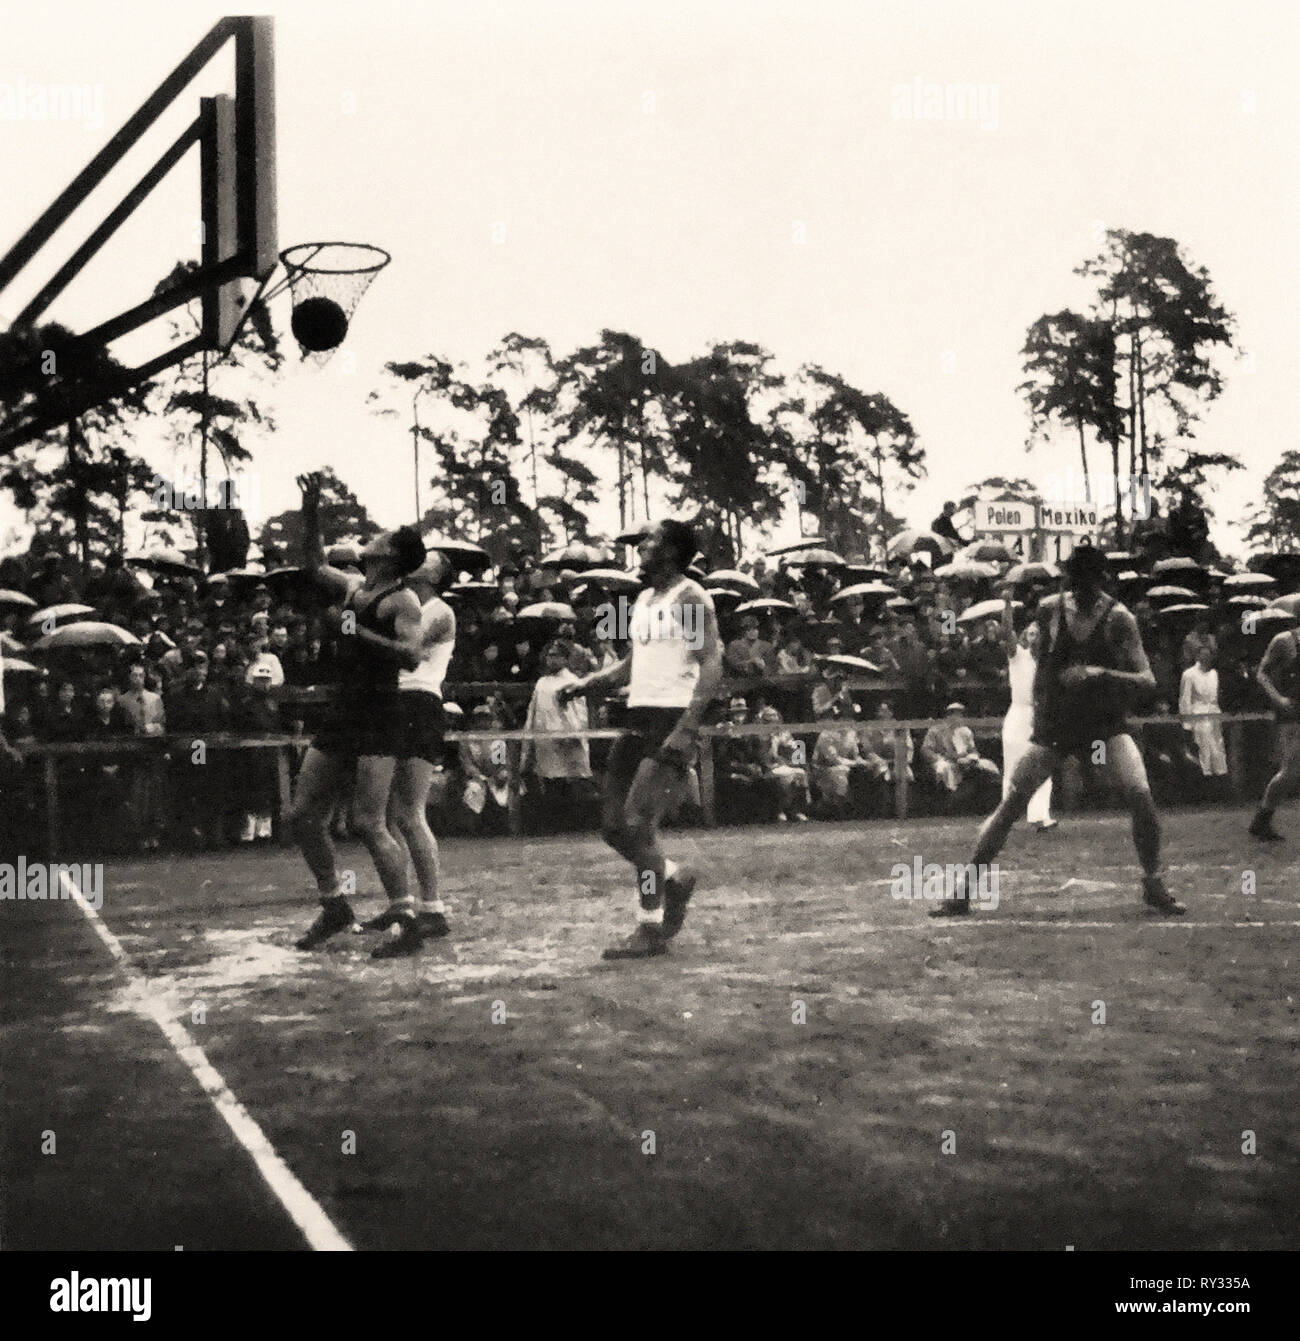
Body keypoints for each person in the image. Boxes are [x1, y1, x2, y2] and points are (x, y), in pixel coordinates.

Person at [929, 542, 1184, 917]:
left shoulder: (1119, 618)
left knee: (1140, 795)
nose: (1079, 591)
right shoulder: (1050, 610)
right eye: (1074, 583)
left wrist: (1101, 673)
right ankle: (964, 889)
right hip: (1060, 724)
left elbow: (1147, 679)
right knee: (1012, 802)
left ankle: (1153, 881)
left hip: (1104, 722)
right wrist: (1043, 715)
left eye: (1087, 584)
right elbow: (1040, 673)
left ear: (1100, 581)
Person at [558, 519, 722, 959]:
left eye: (650, 540)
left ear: (669, 551)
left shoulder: (690, 596)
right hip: (638, 715)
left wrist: (688, 727)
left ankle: (649, 927)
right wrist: (589, 682)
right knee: (613, 827)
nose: (641, 546)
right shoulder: (647, 597)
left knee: (638, 825)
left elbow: (710, 664)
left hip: (671, 717)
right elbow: (634, 662)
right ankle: (672, 876)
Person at [288, 472, 427, 958]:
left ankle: (406, 916)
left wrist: (354, 632)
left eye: (381, 538)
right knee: (303, 815)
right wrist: (310, 511)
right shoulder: (351, 585)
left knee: (370, 823)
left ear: (389, 555)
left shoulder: (404, 599)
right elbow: (311, 564)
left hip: (379, 714)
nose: (373, 538)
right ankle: (334, 904)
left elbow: (411, 656)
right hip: (344, 710)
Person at [381, 551, 456, 938]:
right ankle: (404, 905)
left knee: (411, 812)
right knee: (391, 814)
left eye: (427, 560)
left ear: (437, 575)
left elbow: (404, 649)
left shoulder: (440, 611)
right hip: (396, 702)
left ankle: (433, 906)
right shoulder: (407, 605)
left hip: (420, 702)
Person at [521, 638, 593, 834]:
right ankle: (552, 826)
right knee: (548, 783)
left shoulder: (572, 682)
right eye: (549, 656)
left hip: (565, 741)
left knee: (567, 784)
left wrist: (573, 734)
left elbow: (579, 714)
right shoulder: (542, 683)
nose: (551, 660)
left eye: (556, 656)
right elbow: (533, 711)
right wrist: (530, 737)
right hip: (544, 740)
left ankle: (570, 826)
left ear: (565, 659)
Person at [1000, 591, 1055, 829]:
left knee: (1043, 765)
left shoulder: (1047, 662)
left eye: (1036, 634)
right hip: (1018, 714)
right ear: (1024, 636)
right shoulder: (1017, 656)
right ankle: (1006, 815)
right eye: (1029, 633)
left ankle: (1040, 816)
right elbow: (1006, 632)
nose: (1033, 637)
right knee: (1013, 766)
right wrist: (1007, 604)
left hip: (1040, 715)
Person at [1247, 621, 1300, 841]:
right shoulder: (1285, 640)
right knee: (1291, 769)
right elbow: (1261, 673)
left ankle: (1262, 820)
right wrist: (1278, 698)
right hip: (1294, 709)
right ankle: (1262, 820)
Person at [1179, 645, 1227, 783]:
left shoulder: (1214, 674)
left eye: (1209, 655)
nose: (1206, 658)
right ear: (1197, 656)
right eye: (1203, 655)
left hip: (1214, 717)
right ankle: (1203, 783)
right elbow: (1185, 700)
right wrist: (1187, 725)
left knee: (1218, 753)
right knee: (1203, 752)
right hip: (1198, 718)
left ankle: (1219, 783)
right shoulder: (1189, 674)